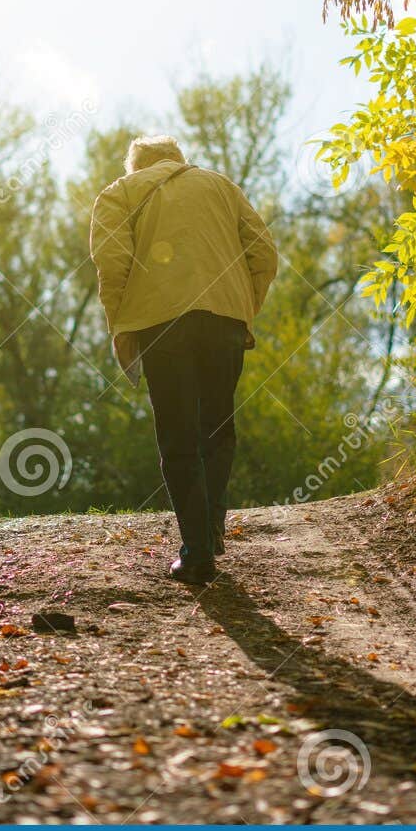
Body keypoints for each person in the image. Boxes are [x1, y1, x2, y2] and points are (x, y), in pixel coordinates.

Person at [89, 135, 279, 584]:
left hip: (161, 323)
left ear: (136, 166)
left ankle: (197, 553)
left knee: (178, 437)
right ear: (179, 160)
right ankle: (210, 532)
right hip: (225, 323)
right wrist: (241, 306)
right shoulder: (221, 186)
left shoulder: (121, 192)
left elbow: (111, 263)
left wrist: (122, 326)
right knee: (217, 427)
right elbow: (265, 255)